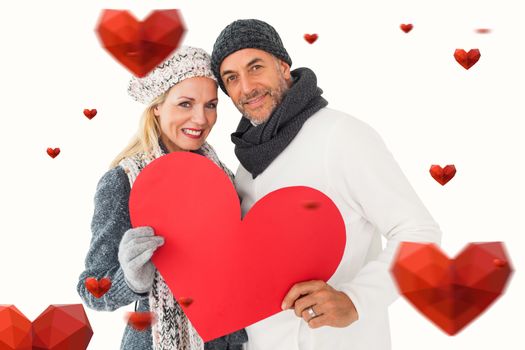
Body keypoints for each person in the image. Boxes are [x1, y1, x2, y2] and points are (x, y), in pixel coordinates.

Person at [210, 20, 442, 350]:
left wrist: (357, 299)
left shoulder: (341, 137)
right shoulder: (245, 166)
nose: (246, 87)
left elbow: (420, 233)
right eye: (231, 78)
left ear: (283, 67)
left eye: (255, 67)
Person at [77, 46, 247, 350]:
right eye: (185, 104)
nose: (202, 118)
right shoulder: (124, 181)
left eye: (211, 105)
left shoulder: (223, 176)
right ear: (157, 106)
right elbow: (92, 291)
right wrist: (131, 279)